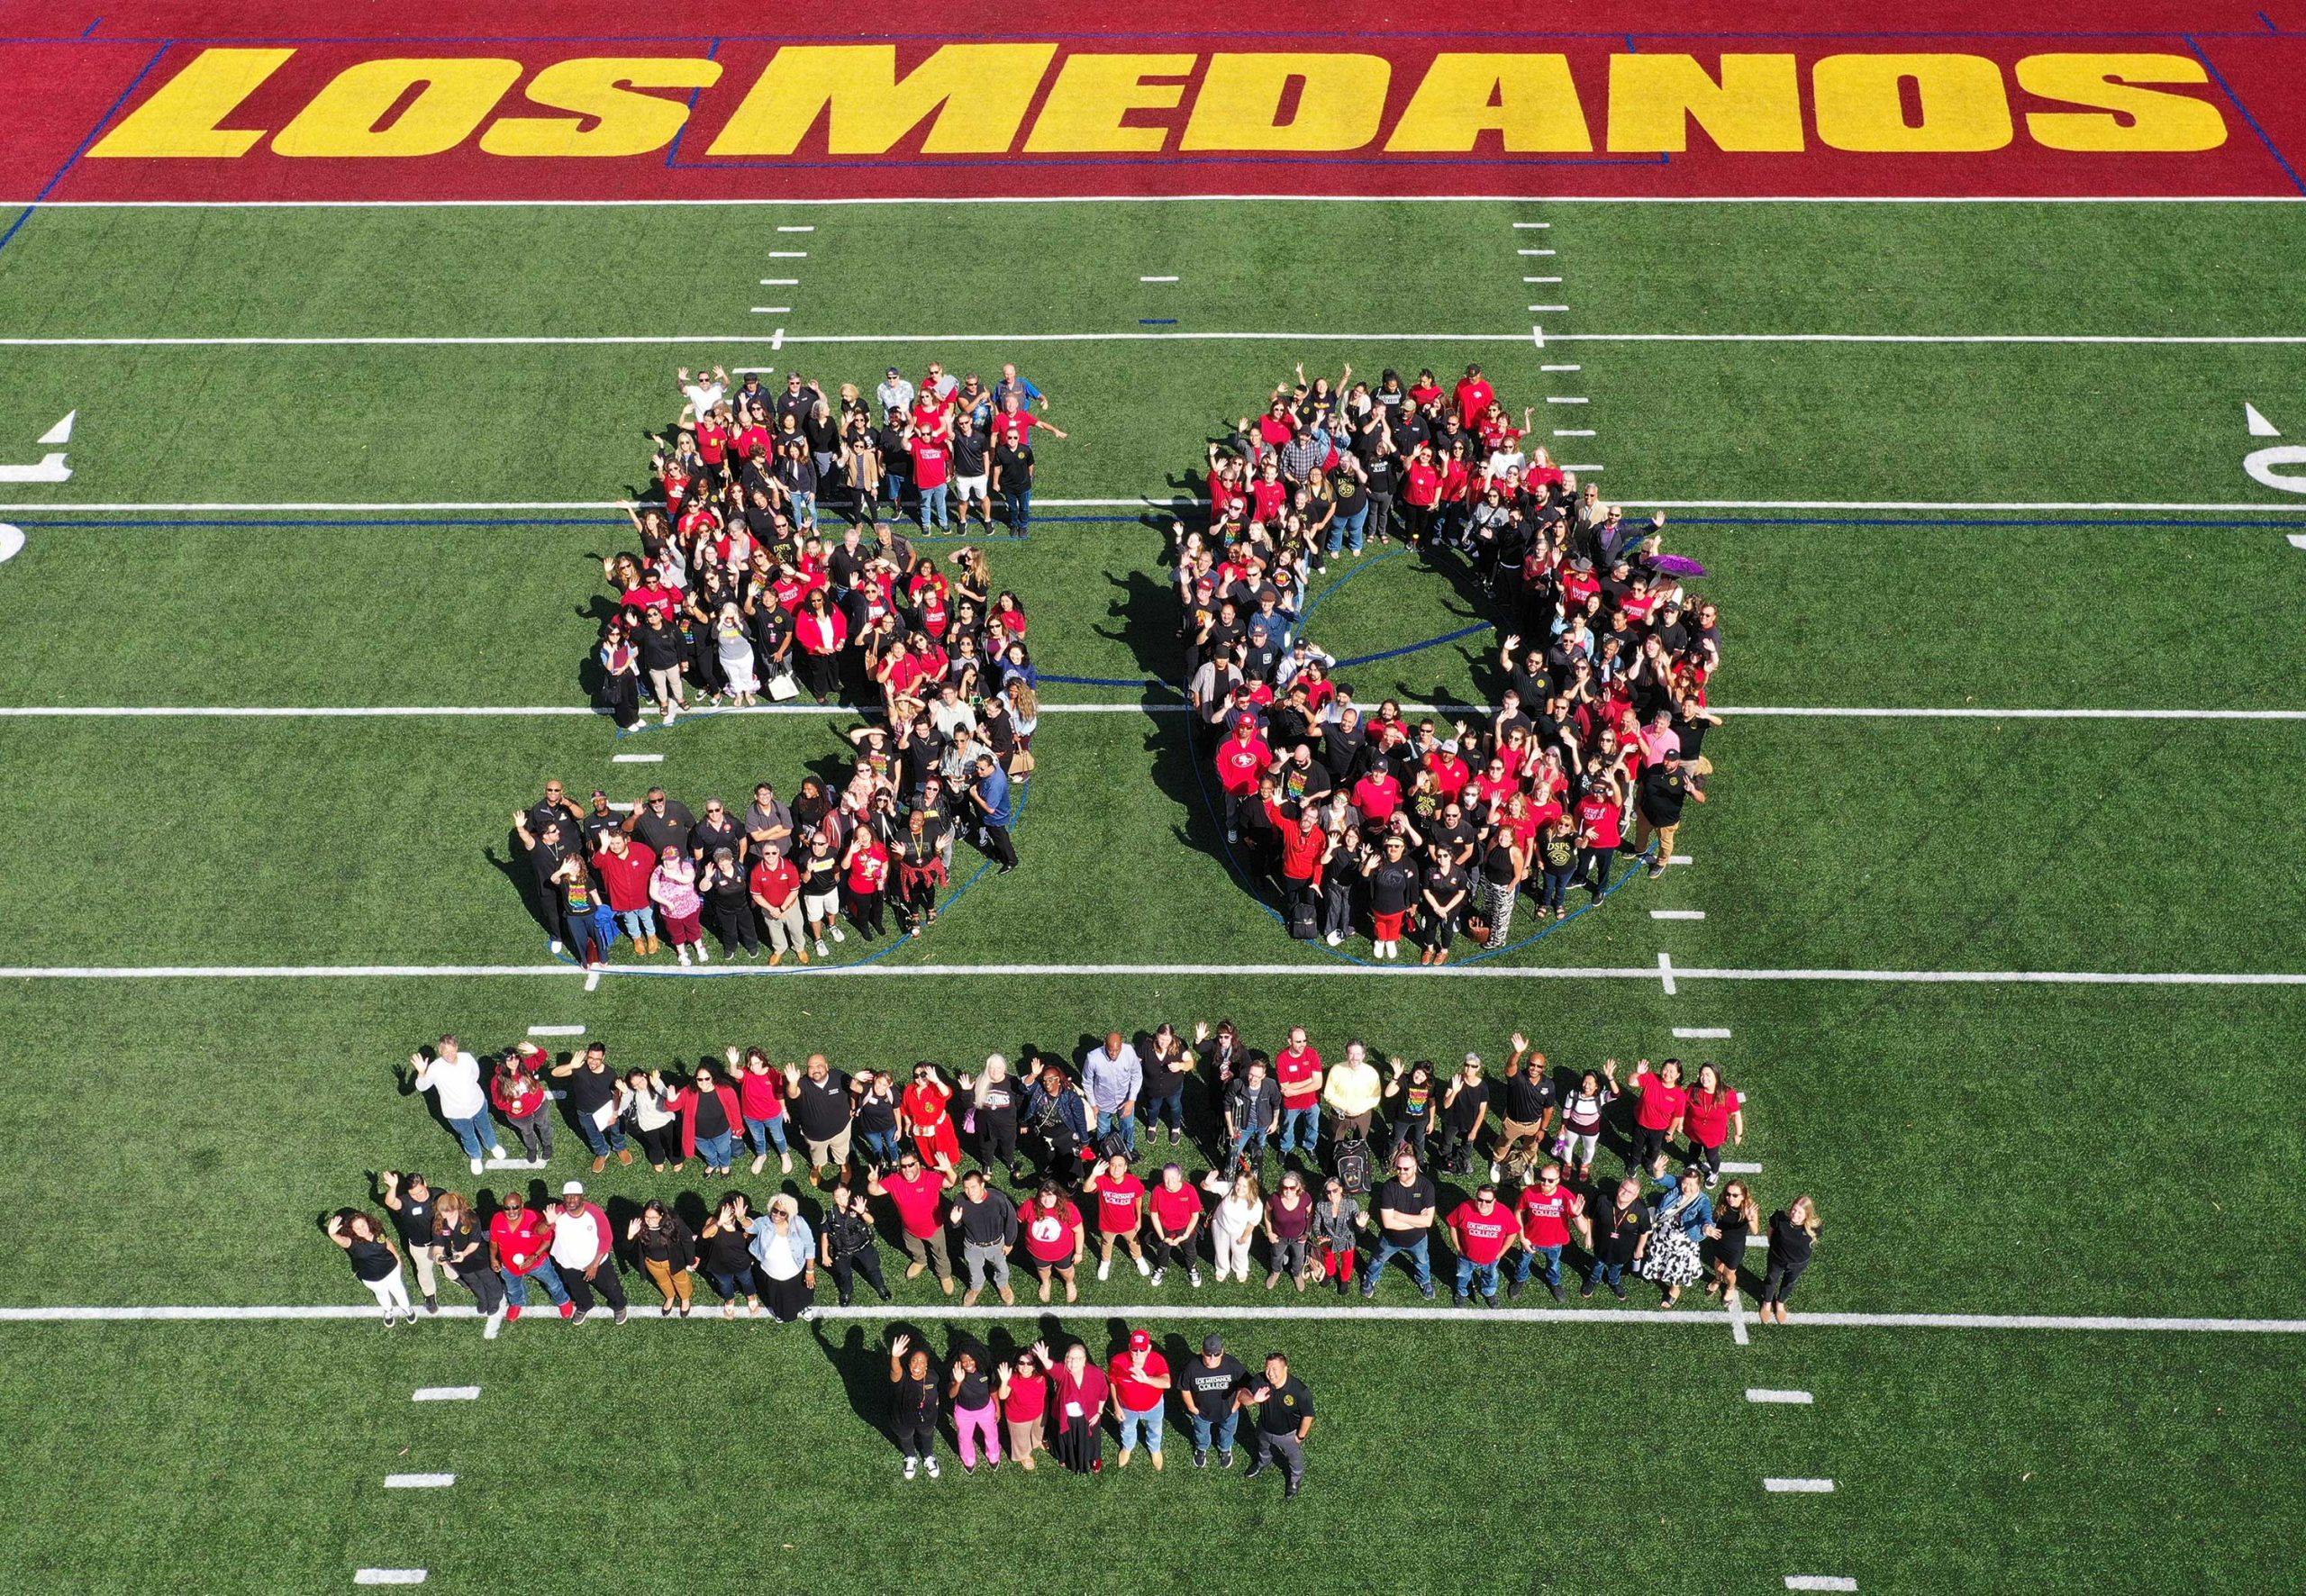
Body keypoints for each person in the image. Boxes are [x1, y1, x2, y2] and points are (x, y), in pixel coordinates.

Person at [413, 1036, 506, 1176]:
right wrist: (421, 1072)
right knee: (467, 1136)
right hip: (455, 1113)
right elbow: (422, 1086)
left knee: (485, 1127)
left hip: (478, 1104)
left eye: (452, 1051)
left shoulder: (467, 1058)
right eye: (445, 1052)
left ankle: (492, 1145)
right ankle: (475, 1156)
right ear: (440, 1050)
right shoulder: (435, 1068)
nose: (449, 1055)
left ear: (456, 1047)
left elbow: (475, 1074)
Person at [868, 1151, 956, 1296]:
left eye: (911, 1165)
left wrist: (948, 1169)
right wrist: (873, 1182)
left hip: (934, 1228)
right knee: (914, 1248)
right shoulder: (894, 1180)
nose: (907, 1169)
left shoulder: (930, 1177)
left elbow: (952, 1182)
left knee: (940, 1253)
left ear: (918, 1164)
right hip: (909, 1229)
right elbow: (875, 1191)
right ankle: (920, 1261)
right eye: (903, 1166)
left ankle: (944, 1274)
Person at [549, 1179, 629, 1326]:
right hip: (568, 1263)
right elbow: (539, 1232)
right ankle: (584, 1305)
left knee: (610, 1286)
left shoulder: (595, 1213)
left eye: (575, 1196)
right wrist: (548, 1222)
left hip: (596, 1262)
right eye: (567, 1196)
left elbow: (606, 1238)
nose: (571, 1200)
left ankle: (619, 1305)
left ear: (582, 1197)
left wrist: (594, 1265)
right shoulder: (557, 1212)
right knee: (577, 1289)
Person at [1361, 1147, 1438, 1300]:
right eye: (1398, 1168)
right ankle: (1370, 1279)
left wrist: (1399, 1216)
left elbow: (1428, 1221)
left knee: (1422, 1262)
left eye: (1406, 1168)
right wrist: (1417, 1221)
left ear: (1415, 1168)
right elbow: (1388, 1223)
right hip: (1391, 1238)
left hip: (1418, 1239)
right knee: (1377, 1260)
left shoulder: (1426, 1186)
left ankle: (1425, 1281)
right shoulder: (1389, 1187)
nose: (1401, 1171)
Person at [488, 1188, 573, 1324]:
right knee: (512, 1288)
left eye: (515, 1207)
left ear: (522, 1205)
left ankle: (563, 1301)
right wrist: (493, 1258)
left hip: (537, 1263)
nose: (511, 1212)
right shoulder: (497, 1219)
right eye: (507, 1208)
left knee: (553, 1284)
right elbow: (493, 1242)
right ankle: (517, 1303)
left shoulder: (535, 1217)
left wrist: (534, 1256)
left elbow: (547, 1240)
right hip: (509, 1266)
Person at [1239, 1352, 1315, 1498]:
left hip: (1288, 1435)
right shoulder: (1260, 1380)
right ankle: (1263, 1462)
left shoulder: (1300, 1391)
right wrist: (1254, 1398)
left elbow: (1308, 1416)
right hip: (1264, 1429)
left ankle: (1295, 1478)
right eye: (1267, 1368)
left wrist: (1300, 1436)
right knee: (1263, 1447)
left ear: (1286, 1368)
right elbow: (1242, 1397)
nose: (1270, 1373)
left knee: (1293, 1457)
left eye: (1275, 1369)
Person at [1511, 1162, 1588, 1303]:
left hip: (1555, 1243)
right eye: (1543, 1179)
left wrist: (1577, 1215)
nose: (1545, 1183)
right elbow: (1518, 1211)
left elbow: (1584, 1229)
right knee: (1523, 1263)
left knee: (1554, 1265)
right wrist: (1522, 1238)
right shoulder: (1529, 1192)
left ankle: (1554, 1283)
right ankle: (1520, 1279)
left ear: (1558, 1180)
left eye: (1550, 1180)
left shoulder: (1566, 1196)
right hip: (1531, 1240)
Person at [430, 1191, 506, 1332]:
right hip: (458, 1260)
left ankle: (495, 1299)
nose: (446, 1216)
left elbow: (475, 1242)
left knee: (487, 1278)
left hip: (477, 1256)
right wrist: (437, 1255)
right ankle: (483, 1299)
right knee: (473, 1281)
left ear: (457, 1208)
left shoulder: (470, 1218)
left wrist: (464, 1253)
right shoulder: (438, 1222)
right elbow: (438, 1245)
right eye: (443, 1212)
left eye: (450, 1213)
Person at [552, 1042, 631, 1174]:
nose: (593, 1062)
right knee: (592, 1136)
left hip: (607, 1110)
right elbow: (555, 1073)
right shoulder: (579, 1067)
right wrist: (571, 1065)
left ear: (603, 1058)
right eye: (590, 1058)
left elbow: (616, 1096)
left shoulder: (610, 1074)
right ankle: (602, 1152)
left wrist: (615, 1114)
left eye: (597, 1059)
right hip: (585, 1112)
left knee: (616, 1131)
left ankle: (620, 1148)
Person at [327, 1209, 412, 1327]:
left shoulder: (377, 1230)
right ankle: (388, 1310)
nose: (362, 1229)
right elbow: (342, 1241)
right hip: (372, 1278)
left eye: (363, 1225)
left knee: (399, 1290)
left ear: (368, 1222)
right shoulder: (352, 1243)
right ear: (352, 1230)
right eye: (357, 1228)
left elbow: (387, 1242)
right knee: (382, 1294)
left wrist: (398, 1258)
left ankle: (407, 1309)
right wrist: (332, 1234)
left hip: (392, 1269)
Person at [1492, 1034, 1557, 1183]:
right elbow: (1509, 1067)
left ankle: (1529, 1166)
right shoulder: (1518, 1078)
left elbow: (1548, 1109)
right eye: (1532, 1064)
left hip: (1534, 1124)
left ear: (1544, 1068)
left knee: (1531, 1148)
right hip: (1513, 1122)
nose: (1535, 1068)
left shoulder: (1549, 1085)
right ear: (1527, 1063)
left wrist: (1543, 1129)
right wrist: (1518, 1052)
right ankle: (1496, 1162)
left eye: (1539, 1066)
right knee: (1504, 1143)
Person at [377, 1171, 446, 1314]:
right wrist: (393, 1187)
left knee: (448, 1263)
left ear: (425, 1183)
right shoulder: (406, 1201)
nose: (418, 1196)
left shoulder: (439, 1194)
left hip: (441, 1240)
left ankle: (455, 1277)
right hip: (420, 1246)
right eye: (414, 1194)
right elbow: (390, 1202)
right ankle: (429, 1295)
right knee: (424, 1271)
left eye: (420, 1191)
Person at [949, 1167, 1019, 1306]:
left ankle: (1003, 1285)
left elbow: (1011, 1220)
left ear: (982, 1185)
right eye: (966, 1188)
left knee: (1001, 1267)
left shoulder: (998, 1199)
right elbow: (956, 1226)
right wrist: (955, 1221)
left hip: (996, 1245)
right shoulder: (961, 1200)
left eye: (974, 1187)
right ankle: (975, 1288)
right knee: (974, 1271)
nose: (970, 1192)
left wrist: (1009, 1243)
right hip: (973, 1246)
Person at [1110, 1328, 1173, 1472]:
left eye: (1142, 1350)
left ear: (1149, 1348)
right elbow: (1113, 1382)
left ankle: (1154, 1449)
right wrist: (1116, 1406)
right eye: (1134, 1350)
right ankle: (1127, 1447)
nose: (1138, 1354)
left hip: (1154, 1407)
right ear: (1129, 1348)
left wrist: (1146, 1380)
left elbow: (1166, 1382)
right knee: (1127, 1429)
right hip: (1127, 1407)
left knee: (1155, 1430)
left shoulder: (1157, 1360)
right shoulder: (1118, 1362)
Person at [785, 1053, 857, 1178]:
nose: (815, 1070)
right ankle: (817, 1166)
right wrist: (792, 1082)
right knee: (817, 1154)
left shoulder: (839, 1077)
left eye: (819, 1065)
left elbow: (854, 1090)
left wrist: (854, 1106)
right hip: (814, 1135)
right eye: (811, 1067)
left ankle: (844, 1165)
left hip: (841, 1129)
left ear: (827, 1067)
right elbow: (793, 1094)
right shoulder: (803, 1083)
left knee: (842, 1150)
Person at [1447, 1183, 1519, 1307]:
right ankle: (1462, 1293)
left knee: (1491, 1276)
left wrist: (1501, 1252)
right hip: (1466, 1256)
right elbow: (1452, 1224)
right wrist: (1458, 1247)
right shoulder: (1465, 1208)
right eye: (1479, 1199)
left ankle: (1489, 1292)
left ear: (1494, 1201)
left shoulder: (1504, 1213)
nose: (1483, 1204)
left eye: (1488, 1201)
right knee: (1463, 1276)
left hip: (1491, 1258)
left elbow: (1513, 1232)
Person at [1046, 1338, 1111, 1474]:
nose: (1073, 1362)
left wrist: (1099, 1412)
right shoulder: (1063, 1372)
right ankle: (1065, 1457)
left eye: (1077, 1358)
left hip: (1089, 1417)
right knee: (1065, 1440)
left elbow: (1103, 1393)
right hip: (1066, 1417)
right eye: (1069, 1358)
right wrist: (1043, 1359)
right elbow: (1052, 1368)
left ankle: (1094, 1459)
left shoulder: (1096, 1373)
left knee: (1091, 1440)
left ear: (1084, 1359)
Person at [1181, 1333, 1246, 1468]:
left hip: (1229, 1411)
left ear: (1222, 1351)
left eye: (1216, 1354)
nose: (1212, 1358)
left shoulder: (1232, 1364)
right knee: (1201, 1432)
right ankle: (1202, 1448)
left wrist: (1236, 1404)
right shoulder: (1192, 1367)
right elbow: (1184, 1388)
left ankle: (1225, 1449)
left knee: (1228, 1431)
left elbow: (1244, 1384)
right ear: (1202, 1351)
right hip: (1202, 1413)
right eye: (1208, 1354)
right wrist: (1192, 1408)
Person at [749, 1193, 817, 1322]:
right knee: (778, 1297)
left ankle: (804, 1307)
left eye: (782, 1213)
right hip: (772, 1273)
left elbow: (809, 1245)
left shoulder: (798, 1223)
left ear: (789, 1214)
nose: (777, 1215)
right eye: (775, 1210)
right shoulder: (764, 1222)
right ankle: (780, 1311)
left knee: (801, 1292)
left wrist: (810, 1271)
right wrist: (741, 1218)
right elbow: (751, 1227)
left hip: (797, 1270)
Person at [1085, 1150, 1151, 1282]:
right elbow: (1086, 1189)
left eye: (1120, 1165)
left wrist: (1138, 1219)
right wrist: (1093, 1174)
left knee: (1133, 1243)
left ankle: (1138, 1258)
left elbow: (1138, 1200)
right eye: (1113, 1165)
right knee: (1106, 1243)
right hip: (1107, 1225)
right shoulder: (1102, 1180)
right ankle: (1105, 1262)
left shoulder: (1133, 1182)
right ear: (1108, 1166)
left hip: (1129, 1224)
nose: (1116, 1169)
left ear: (1126, 1167)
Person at [668, 1063, 743, 1178]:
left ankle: (725, 1165)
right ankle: (712, 1164)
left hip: (721, 1132)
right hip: (699, 1135)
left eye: (707, 1078)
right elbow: (672, 1107)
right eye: (700, 1079)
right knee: (707, 1152)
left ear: (713, 1077)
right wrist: (671, 1100)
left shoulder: (726, 1090)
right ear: (696, 1079)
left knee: (723, 1150)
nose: (703, 1082)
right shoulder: (688, 1091)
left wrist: (738, 1126)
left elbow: (735, 1110)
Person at [1583, 1175, 1651, 1301]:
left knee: (1617, 1267)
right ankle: (1593, 1280)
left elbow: (1644, 1231)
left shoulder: (1641, 1211)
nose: (1624, 1192)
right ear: (1619, 1187)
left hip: (1623, 1250)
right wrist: (1589, 1235)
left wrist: (1639, 1249)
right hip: (1601, 1245)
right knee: (1598, 1264)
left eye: (1629, 1191)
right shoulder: (1602, 1200)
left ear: (1636, 1195)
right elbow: (1590, 1217)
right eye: (1623, 1188)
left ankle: (1614, 1282)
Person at [728, 1046, 793, 1176]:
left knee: (778, 1137)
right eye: (751, 1064)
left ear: (763, 1061)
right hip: (751, 1116)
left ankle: (784, 1154)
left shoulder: (773, 1074)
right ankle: (761, 1155)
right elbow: (734, 1073)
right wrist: (733, 1063)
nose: (754, 1067)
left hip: (772, 1115)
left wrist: (784, 1110)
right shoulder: (747, 1073)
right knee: (758, 1138)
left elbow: (780, 1093)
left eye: (757, 1063)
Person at [626, 1199, 696, 1318]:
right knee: (662, 1282)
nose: (649, 1221)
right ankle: (670, 1296)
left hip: (673, 1261)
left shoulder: (673, 1222)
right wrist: (630, 1235)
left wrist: (691, 1260)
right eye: (647, 1217)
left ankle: (685, 1298)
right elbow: (628, 1248)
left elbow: (687, 1239)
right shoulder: (639, 1225)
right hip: (652, 1263)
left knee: (680, 1280)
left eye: (654, 1218)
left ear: (662, 1215)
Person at [959, 1054, 1023, 1181]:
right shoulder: (981, 1081)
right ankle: (988, 1164)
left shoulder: (1012, 1081)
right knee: (987, 1147)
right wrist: (966, 1091)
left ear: (1004, 1068)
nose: (994, 1071)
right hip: (986, 1126)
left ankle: (1009, 1162)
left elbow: (1020, 1102)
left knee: (1008, 1145)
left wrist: (1022, 1121)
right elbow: (967, 1105)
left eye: (998, 1068)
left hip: (1008, 1125)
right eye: (991, 1068)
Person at [888, 1332, 943, 1480]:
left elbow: (935, 1392)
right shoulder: (902, 1377)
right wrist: (894, 1357)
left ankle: (928, 1456)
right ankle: (911, 1457)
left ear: (927, 1365)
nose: (917, 1365)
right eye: (914, 1361)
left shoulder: (933, 1377)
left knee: (927, 1436)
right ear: (909, 1362)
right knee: (906, 1437)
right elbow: (895, 1371)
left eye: (921, 1362)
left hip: (927, 1419)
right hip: (902, 1420)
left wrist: (935, 1403)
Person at [1621, 1056, 1689, 1178]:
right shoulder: (1652, 1078)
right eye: (1665, 1069)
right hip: (1640, 1122)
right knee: (1636, 1145)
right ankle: (1634, 1163)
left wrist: (1670, 1132)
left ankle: (1649, 1163)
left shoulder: (1679, 1095)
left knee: (1654, 1149)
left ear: (1678, 1075)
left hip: (1658, 1129)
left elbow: (1677, 1116)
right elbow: (1631, 1082)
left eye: (1671, 1071)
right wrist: (1637, 1073)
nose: (1667, 1073)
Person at [490, 1045, 555, 1167]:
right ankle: (532, 1148)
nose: (514, 1061)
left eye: (516, 1057)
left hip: (539, 1106)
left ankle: (547, 1144)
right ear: (504, 1061)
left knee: (544, 1125)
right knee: (527, 1132)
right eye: (510, 1059)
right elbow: (497, 1101)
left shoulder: (525, 1065)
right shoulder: (497, 1080)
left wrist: (536, 1051)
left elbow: (542, 1057)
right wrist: (510, 1108)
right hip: (519, 1116)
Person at [1760, 1194, 1820, 1325]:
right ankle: (1767, 1302)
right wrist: (1774, 1248)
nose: (1795, 1214)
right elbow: (1770, 1231)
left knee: (1789, 1283)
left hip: (1798, 1263)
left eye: (1800, 1212)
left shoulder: (1814, 1227)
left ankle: (1780, 1303)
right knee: (1771, 1279)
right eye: (1794, 1209)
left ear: (1807, 1214)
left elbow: (1814, 1240)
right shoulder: (1780, 1218)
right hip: (1777, 1258)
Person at [1682, 1063, 1746, 1186]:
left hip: (1713, 1137)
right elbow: (1683, 1107)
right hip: (1694, 1132)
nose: (1704, 1078)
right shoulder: (1693, 1089)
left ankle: (1715, 1172)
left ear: (1716, 1076)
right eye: (1702, 1075)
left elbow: (1736, 1115)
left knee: (1712, 1156)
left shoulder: (1727, 1094)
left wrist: (1739, 1134)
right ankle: (1693, 1163)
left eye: (1708, 1075)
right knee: (1693, 1149)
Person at [1201, 1165, 1266, 1284]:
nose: (1239, 1188)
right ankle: (1222, 1268)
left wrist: (1244, 1237)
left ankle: (1240, 1268)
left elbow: (1252, 1224)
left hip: (1240, 1231)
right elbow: (1206, 1187)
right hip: (1220, 1226)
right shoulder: (1229, 1188)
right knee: (1220, 1249)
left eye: (1244, 1186)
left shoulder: (1256, 1205)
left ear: (1251, 1188)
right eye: (1238, 1184)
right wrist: (1207, 1182)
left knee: (1240, 1252)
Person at [1022, 1182, 1085, 1304]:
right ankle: (1046, 1283)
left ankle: (1069, 1283)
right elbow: (1019, 1219)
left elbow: (1079, 1231)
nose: (1047, 1200)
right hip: (1037, 1253)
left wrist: (1078, 1253)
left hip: (1063, 1253)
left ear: (1058, 1195)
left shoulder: (1069, 1208)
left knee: (1066, 1271)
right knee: (1043, 1270)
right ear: (1039, 1196)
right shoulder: (1029, 1205)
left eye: (1051, 1195)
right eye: (1043, 1196)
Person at [1082, 1030, 1143, 1157]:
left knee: (1128, 1127)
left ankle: (1128, 1151)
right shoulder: (1093, 1058)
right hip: (1103, 1102)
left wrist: (1131, 1100)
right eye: (1111, 1050)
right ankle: (1105, 1153)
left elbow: (1137, 1076)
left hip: (1125, 1101)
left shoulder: (1129, 1052)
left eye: (1117, 1050)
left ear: (1122, 1045)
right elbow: (1087, 1082)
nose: (1114, 1054)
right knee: (1103, 1130)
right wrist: (1093, 1104)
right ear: (1105, 1045)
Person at [699, 1194, 760, 1319]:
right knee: (725, 1285)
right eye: (727, 1209)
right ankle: (729, 1300)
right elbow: (705, 1235)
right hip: (719, 1266)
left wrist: (747, 1235)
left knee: (747, 1280)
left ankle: (751, 1296)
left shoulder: (743, 1225)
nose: (730, 1213)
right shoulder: (713, 1222)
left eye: (733, 1211)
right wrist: (720, 1222)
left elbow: (755, 1239)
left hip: (741, 1264)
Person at [1145, 1164, 1205, 1288]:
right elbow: (1154, 1215)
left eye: (1173, 1178)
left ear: (1179, 1177)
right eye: (1166, 1178)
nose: (1169, 1182)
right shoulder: (1158, 1190)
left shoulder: (1189, 1190)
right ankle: (1162, 1267)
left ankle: (1192, 1268)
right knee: (1163, 1250)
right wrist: (1163, 1237)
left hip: (1186, 1228)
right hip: (1165, 1228)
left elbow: (1195, 1215)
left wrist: (1186, 1234)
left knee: (1190, 1250)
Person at [948, 1343, 1003, 1474]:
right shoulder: (957, 1372)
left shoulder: (986, 1369)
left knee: (992, 1434)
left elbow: (993, 1390)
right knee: (964, 1438)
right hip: (964, 1412)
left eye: (971, 1359)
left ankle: (994, 1456)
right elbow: (951, 1394)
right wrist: (958, 1382)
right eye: (964, 1361)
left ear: (977, 1357)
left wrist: (998, 1408)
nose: (967, 1363)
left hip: (986, 1410)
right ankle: (969, 1460)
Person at [899, 1063, 962, 1176]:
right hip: (921, 1131)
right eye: (916, 1076)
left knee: (943, 1152)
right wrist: (908, 1122)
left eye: (923, 1075)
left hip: (939, 1130)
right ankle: (935, 1170)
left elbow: (947, 1094)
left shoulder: (935, 1088)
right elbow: (904, 1108)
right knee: (927, 1152)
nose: (919, 1079)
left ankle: (948, 1174)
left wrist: (936, 1080)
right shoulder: (909, 1090)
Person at [1433, 1053, 1491, 1174]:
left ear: (1478, 1068)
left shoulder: (1483, 1087)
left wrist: (1475, 1130)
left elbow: (1482, 1111)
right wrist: (1454, 1091)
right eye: (1467, 1065)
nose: (1469, 1069)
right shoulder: (1456, 1080)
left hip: (1470, 1123)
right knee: (1446, 1143)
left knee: (1468, 1144)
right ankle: (1445, 1161)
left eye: (1473, 1066)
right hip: (1451, 1120)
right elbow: (1446, 1105)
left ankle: (1464, 1159)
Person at [1137, 1023, 1194, 1146]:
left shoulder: (1178, 1045)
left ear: (1172, 1038)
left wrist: (1181, 1066)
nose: (1163, 1043)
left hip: (1173, 1088)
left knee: (1175, 1106)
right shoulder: (1147, 1045)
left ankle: (1175, 1127)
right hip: (1152, 1089)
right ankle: (1152, 1125)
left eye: (1167, 1040)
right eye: (1161, 1039)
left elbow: (1190, 1063)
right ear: (1156, 1035)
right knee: (1153, 1108)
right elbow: (1137, 1062)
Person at [1705, 1178, 1760, 1305]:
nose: (1730, 1198)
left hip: (1734, 1248)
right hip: (1718, 1241)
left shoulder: (1748, 1208)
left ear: (1743, 1196)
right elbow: (1714, 1217)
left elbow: (1755, 1231)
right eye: (1728, 1194)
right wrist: (1710, 1227)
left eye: (1735, 1195)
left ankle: (1730, 1288)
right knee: (1717, 1262)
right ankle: (1717, 1279)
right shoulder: (1723, 1201)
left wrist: (1750, 1219)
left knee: (1730, 1273)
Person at [1271, 1027, 1323, 1160]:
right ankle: (1285, 1147)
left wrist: (1295, 1091)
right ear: (1289, 1041)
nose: (1302, 1045)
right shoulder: (1282, 1059)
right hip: (1291, 1104)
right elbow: (1285, 1087)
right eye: (1298, 1041)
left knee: (1313, 1126)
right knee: (1287, 1128)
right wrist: (1309, 1080)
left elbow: (1318, 1084)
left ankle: (1310, 1146)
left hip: (1312, 1102)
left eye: (1304, 1041)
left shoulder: (1312, 1054)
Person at [1557, 1066, 1615, 1183]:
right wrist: (1562, 1126)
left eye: (1590, 1083)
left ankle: (1585, 1165)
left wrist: (1610, 1077)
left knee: (1589, 1148)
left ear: (1597, 1086)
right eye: (1585, 1082)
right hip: (1572, 1127)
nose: (1586, 1086)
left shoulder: (1601, 1096)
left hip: (1591, 1130)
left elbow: (1616, 1095)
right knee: (1568, 1146)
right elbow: (1566, 1110)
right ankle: (1568, 1164)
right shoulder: (1574, 1094)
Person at [1223, 1056, 1283, 1170]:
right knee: (1235, 1151)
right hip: (1244, 1125)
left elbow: (1276, 1104)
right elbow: (1227, 1104)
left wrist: (1275, 1122)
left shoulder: (1270, 1085)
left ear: (1263, 1076)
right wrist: (1230, 1127)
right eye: (1251, 1074)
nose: (1252, 1079)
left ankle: (1255, 1164)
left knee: (1260, 1146)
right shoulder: (1238, 1084)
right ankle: (1230, 1171)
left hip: (1264, 1124)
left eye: (1257, 1076)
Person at [1321, 1040, 1383, 1147]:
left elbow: (1375, 1096)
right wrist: (1346, 1107)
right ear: (1347, 1054)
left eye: (1358, 1054)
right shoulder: (1336, 1070)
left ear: (1363, 1055)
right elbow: (1328, 1094)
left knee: (1360, 1141)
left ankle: (1357, 1160)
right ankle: (1335, 1161)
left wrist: (1360, 1108)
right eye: (1351, 1053)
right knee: (1335, 1141)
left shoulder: (1371, 1073)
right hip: (1340, 1115)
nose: (1355, 1057)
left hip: (1363, 1115)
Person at [1263, 1169, 1317, 1291]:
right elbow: (1267, 1212)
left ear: (1298, 1187)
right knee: (1277, 1255)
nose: (1288, 1191)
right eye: (1284, 1187)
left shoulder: (1305, 1198)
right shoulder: (1275, 1198)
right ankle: (1275, 1271)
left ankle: (1296, 1273)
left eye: (1292, 1188)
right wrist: (1270, 1232)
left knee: (1298, 1256)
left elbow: (1310, 1213)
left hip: (1298, 1237)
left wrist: (1307, 1233)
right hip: (1279, 1236)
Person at [996, 1347, 1049, 1470]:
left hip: (1039, 1412)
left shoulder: (1042, 1375)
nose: (1025, 1367)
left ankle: (1036, 1442)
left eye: (1029, 1363)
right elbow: (1002, 1395)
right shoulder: (1013, 1379)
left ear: (1035, 1365)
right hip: (1019, 1417)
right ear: (1016, 1364)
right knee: (1021, 1438)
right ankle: (1023, 1455)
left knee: (1038, 1431)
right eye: (1021, 1363)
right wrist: (1004, 1381)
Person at [1382, 1056, 1438, 1164]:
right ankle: (1387, 1158)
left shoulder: (1430, 1085)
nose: (1419, 1077)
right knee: (1395, 1139)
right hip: (1403, 1119)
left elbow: (1432, 1102)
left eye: (1423, 1075)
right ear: (1414, 1070)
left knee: (1419, 1141)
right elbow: (1388, 1094)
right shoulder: (1404, 1079)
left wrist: (1431, 1121)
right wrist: (1396, 1077)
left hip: (1422, 1120)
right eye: (1418, 1072)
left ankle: (1420, 1160)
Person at [969, 752, 1018, 873]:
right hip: (992, 817)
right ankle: (999, 852)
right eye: (977, 767)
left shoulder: (995, 785)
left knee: (1002, 839)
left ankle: (1011, 860)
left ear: (990, 766)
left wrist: (975, 796)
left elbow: (990, 809)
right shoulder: (995, 769)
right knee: (997, 838)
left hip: (996, 817)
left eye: (982, 769)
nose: (979, 772)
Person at [1312, 1176, 1361, 1295]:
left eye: (1334, 1190)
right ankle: (1330, 1272)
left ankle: (1344, 1280)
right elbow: (1316, 1225)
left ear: (1340, 1189)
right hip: (1328, 1239)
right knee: (1328, 1258)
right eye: (1328, 1192)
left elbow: (1360, 1227)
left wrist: (1361, 1225)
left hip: (1347, 1240)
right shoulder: (1321, 1206)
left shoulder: (1351, 1204)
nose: (1331, 1194)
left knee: (1347, 1261)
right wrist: (1319, 1236)